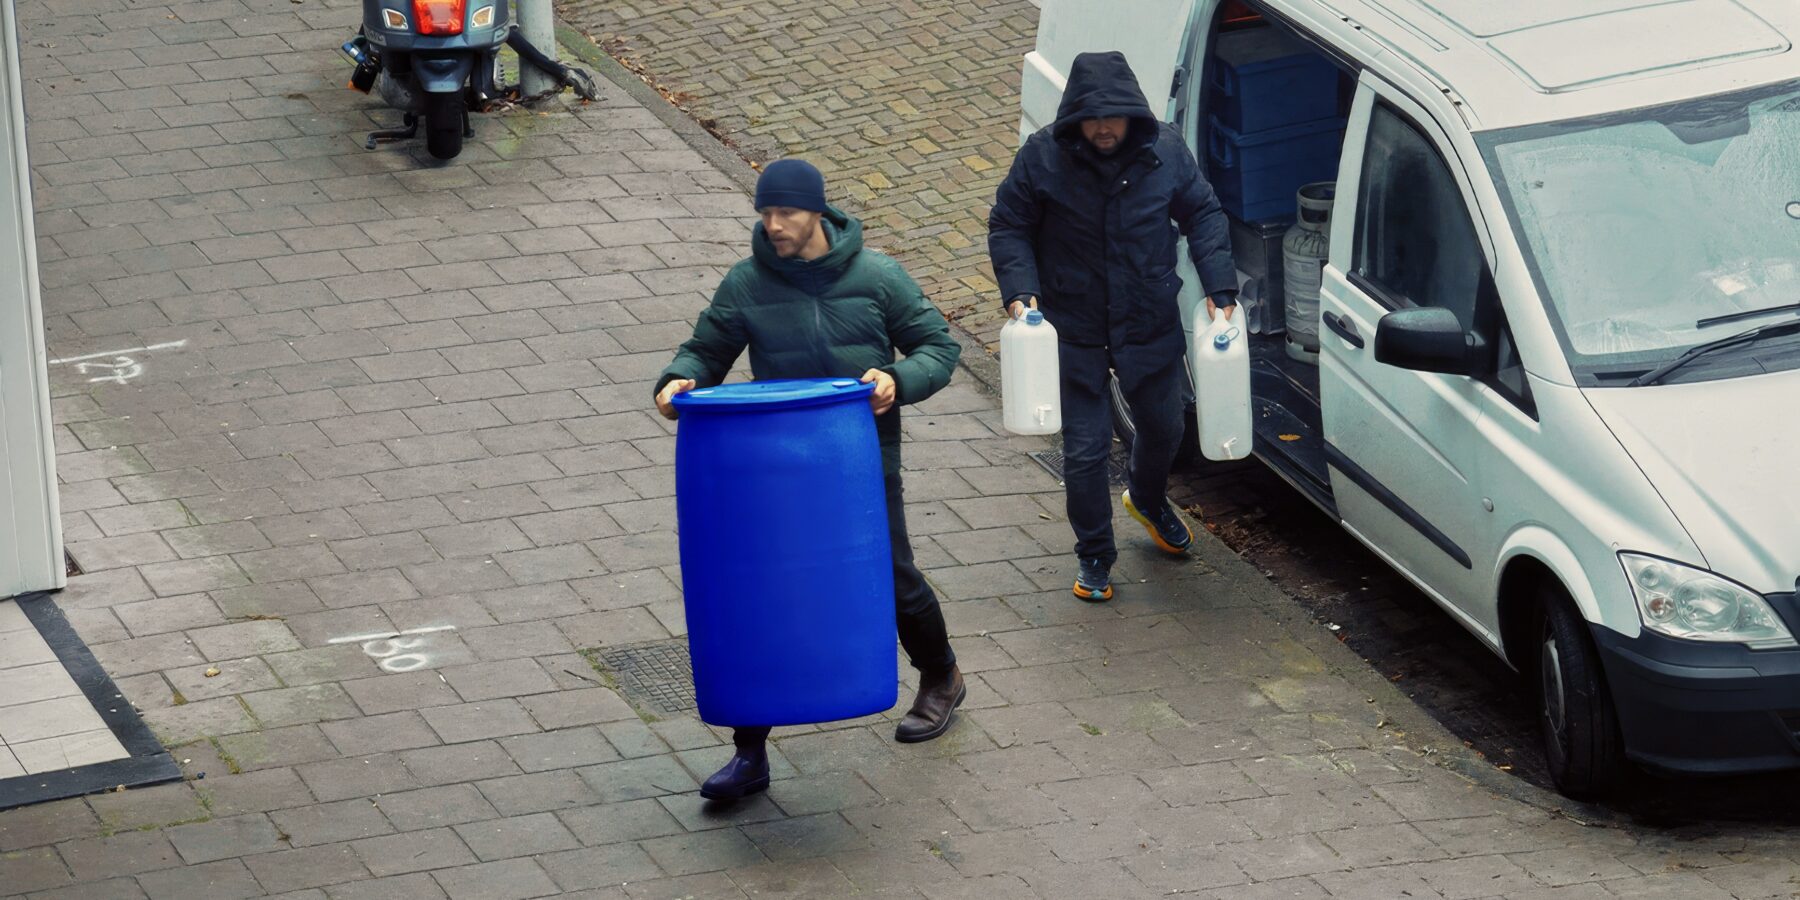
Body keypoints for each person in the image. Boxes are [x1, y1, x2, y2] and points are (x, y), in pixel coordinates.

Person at [654, 159, 965, 802]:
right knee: (765, 595)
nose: (773, 227)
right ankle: (750, 751)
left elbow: (939, 347)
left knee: (893, 576)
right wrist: (679, 378)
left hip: (860, 460)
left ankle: (941, 676)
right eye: (765, 215)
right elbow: (705, 350)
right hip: (776, 472)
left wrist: (897, 381)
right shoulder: (747, 283)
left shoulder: (878, 277)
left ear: (817, 213)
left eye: (786, 214)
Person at [987, 50, 1239, 603]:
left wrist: (1220, 284)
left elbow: (1203, 213)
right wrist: (1019, 290)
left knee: (1166, 428)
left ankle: (1147, 500)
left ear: (1132, 116)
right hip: (1072, 326)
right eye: (1092, 118)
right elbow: (1009, 224)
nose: (1103, 128)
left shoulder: (1165, 151)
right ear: (1074, 116)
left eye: (1114, 117)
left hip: (1147, 319)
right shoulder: (1042, 158)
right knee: (1083, 450)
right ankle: (1095, 553)